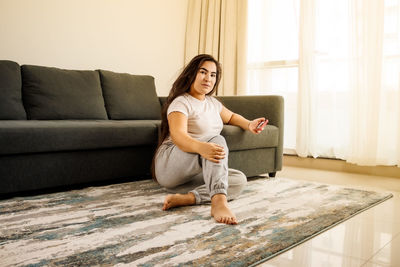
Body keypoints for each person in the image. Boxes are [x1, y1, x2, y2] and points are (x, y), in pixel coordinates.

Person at [153, 54, 268, 225]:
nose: (208, 78)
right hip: (171, 164)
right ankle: (218, 203)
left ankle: (189, 198)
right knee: (217, 140)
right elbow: (178, 136)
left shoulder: (212, 103)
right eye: (203, 72)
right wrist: (201, 147)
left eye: (213, 75)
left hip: (192, 173)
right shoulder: (181, 102)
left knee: (238, 179)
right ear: (192, 74)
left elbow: (231, 117)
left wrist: (249, 124)